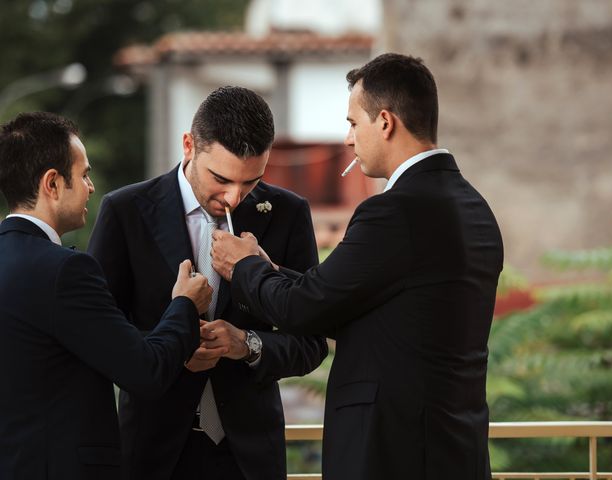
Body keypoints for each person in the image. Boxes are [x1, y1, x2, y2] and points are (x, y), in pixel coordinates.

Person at [211, 53, 504, 480]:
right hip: (456, 446)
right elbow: (351, 300)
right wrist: (270, 268)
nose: (348, 140)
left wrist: (244, 268)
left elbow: (306, 308)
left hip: (394, 451)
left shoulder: (394, 212)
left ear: (384, 122)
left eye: (353, 123)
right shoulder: (476, 207)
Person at [88, 86, 327, 480]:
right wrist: (170, 346)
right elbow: (100, 336)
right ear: (188, 146)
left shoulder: (288, 213)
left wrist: (246, 345)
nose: (234, 197)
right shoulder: (125, 211)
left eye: (251, 182)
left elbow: (311, 342)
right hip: (152, 452)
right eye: (221, 178)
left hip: (250, 455)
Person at [0, 112, 212, 480]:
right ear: (52, 183)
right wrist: (184, 304)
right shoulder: (65, 271)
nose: (91, 187)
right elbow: (145, 370)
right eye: (83, 174)